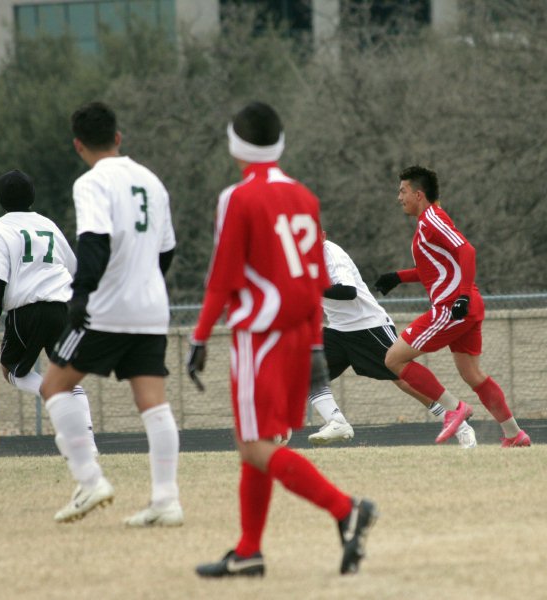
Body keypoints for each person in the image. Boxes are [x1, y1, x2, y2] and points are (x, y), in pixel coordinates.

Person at [187, 101, 377, 578]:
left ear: (235, 143)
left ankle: (344, 508)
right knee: (260, 441)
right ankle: (249, 550)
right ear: (280, 142)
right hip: (298, 333)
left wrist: (200, 336)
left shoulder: (238, 197)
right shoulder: (305, 198)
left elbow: (222, 279)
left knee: (253, 446)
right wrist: (315, 343)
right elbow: (314, 279)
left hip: (261, 336)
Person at [38, 101, 182, 527]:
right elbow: (167, 249)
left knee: (53, 386)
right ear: (118, 138)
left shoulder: (91, 183)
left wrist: (80, 295)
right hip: (152, 308)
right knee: (153, 404)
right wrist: (145, 285)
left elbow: (94, 241)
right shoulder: (152, 181)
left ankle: (89, 480)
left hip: (106, 309)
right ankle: (166, 500)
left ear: (78, 145)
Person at [375, 166, 531, 448]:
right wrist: (397, 277)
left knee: (393, 359)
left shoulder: (432, 218)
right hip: (467, 305)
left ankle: (454, 408)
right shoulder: (428, 222)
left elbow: (467, 251)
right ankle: (514, 434)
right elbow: (435, 269)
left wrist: (460, 298)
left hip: (453, 306)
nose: (399, 197)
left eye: (402, 191)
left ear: (418, 194)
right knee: (472, 374)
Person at [308, 232, 477, 449]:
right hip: (338, 329)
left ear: (322, 236)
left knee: (403, 379)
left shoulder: (332, 254)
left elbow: (348, 291)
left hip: (368, 326)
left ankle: (459, 423)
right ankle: (335, 421)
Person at [0, 170, 97, 456]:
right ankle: (88, 445)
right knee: (69, 377)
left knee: (10, 370)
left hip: (28, 310)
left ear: (0, 199)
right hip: (62, 307)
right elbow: (72, 266)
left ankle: (52, 392)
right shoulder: (48, 224)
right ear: (32, 196)